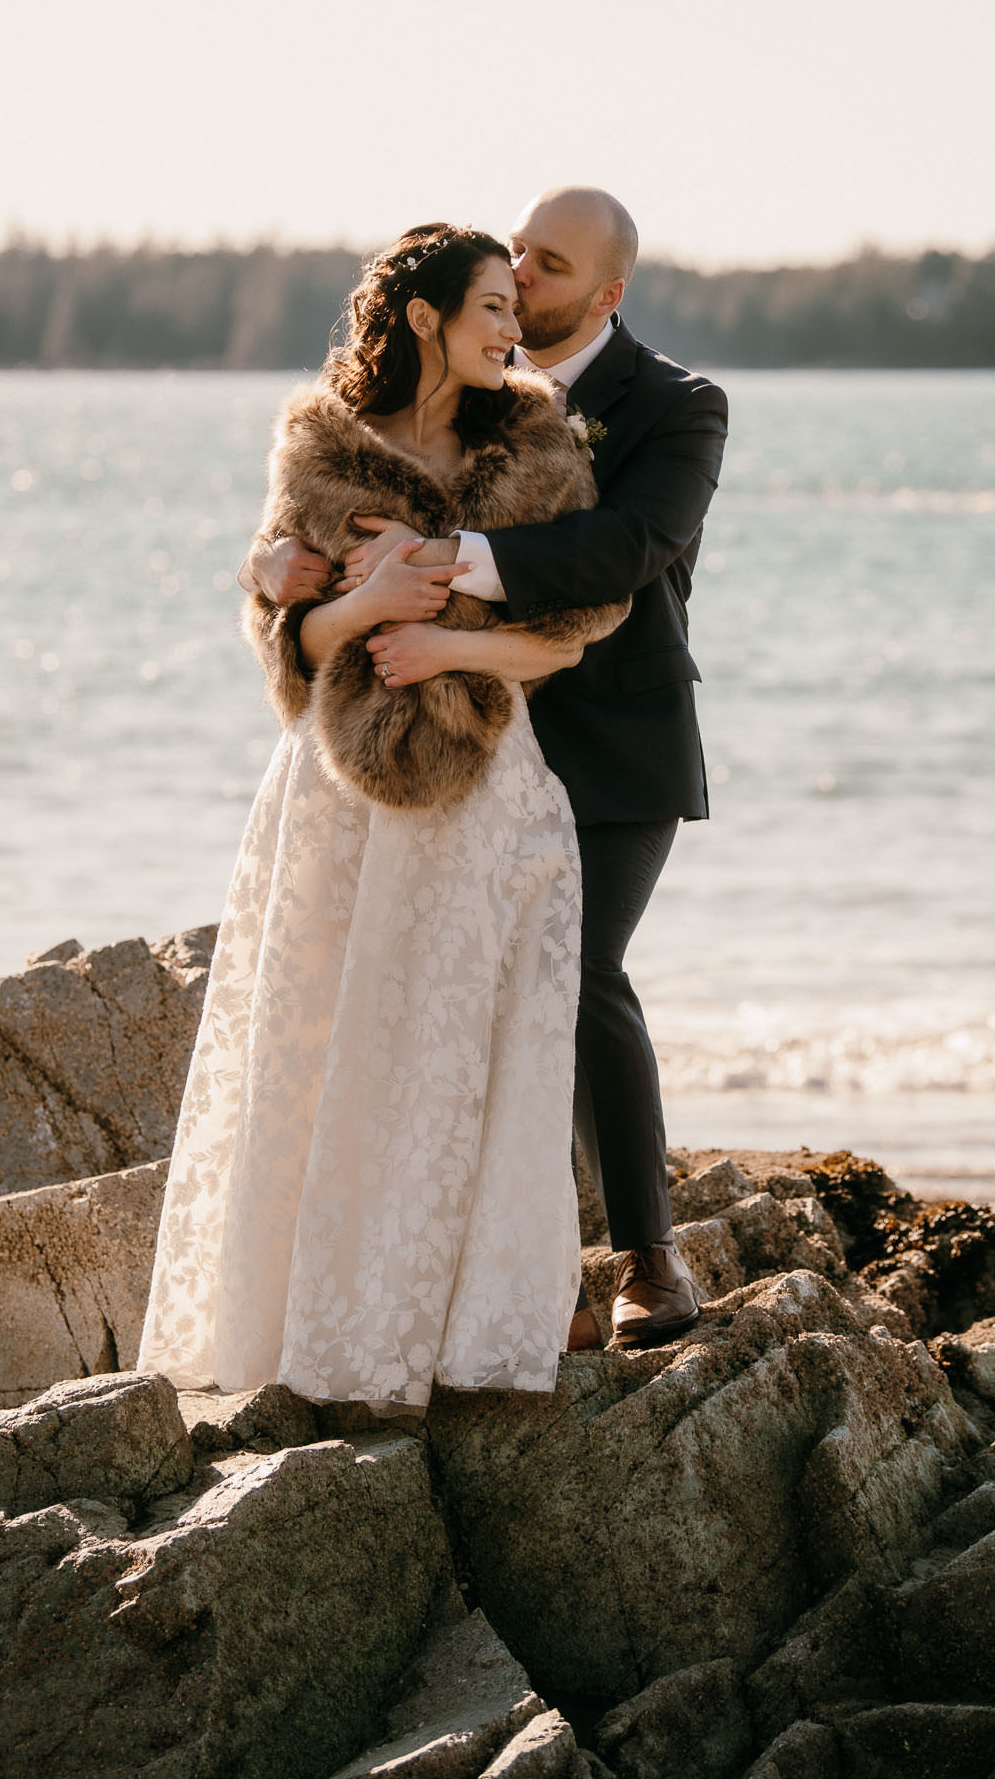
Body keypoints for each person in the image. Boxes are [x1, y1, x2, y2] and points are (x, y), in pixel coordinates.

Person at [137, 224, 627, 1410]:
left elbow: (572, 631)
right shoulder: (321, 455)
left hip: (483, 786)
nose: (515, 331)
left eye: (520, 306)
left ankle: (452, 1321)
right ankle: (311, 1329)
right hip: (333, 791)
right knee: (322, 1050)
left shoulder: (535, 450)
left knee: (455, 1049)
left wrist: (443, 633)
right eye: (494, 306)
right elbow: (289, 647)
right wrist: (364, 605)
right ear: (424, 317)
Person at [245, 188, 728, 1351]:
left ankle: (647, 1254)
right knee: (468, 1001)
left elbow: (625, 547)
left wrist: (448, 563)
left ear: (607, 293)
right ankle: (507, 1263)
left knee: (579, 969)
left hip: (609, 742)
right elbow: (323, 530)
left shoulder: (676, 406)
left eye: (548, 268)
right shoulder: (468, 395)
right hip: (453, 740)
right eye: (512, 260)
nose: (522, 280)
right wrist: (282, 571)